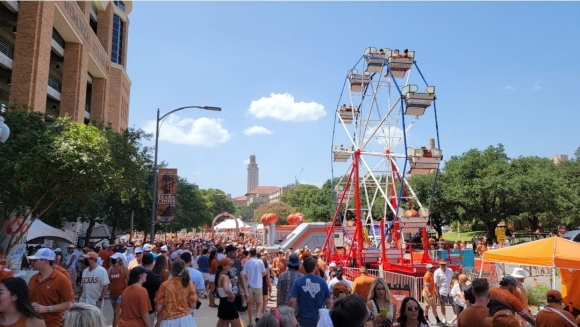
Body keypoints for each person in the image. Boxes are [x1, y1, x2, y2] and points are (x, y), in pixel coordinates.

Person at [27, 248, 74, 327]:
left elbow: (70, 303)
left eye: (35, 260)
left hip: (52, 323)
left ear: (45, 261)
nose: (31, 262)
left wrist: (47, 308)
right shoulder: (33, 278)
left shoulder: (61, 279)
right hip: (33, 322)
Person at [288, 256, 332, 327]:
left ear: (304, 268)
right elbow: (328, 303)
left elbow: (292, 301)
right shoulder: (322, 282)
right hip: (318, 319)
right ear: (315, 267)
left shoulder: (298, 282)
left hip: (302, 319)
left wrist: (290, 317)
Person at [154, 259, 197, 327]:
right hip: (185, 320)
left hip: (168, 321)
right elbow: (193, 305)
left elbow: (158, 308)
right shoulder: (189, 283)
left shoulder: (165, 285)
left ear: (172, 270)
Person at [242, 248, 266, 326]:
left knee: (250, 304)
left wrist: (248, 278)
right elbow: (264, 272)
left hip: (249, 286)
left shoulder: (248, 263)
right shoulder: (260, 262)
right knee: (259, 302)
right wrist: (259, 276)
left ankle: (250, 322)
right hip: (258, 285)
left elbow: (244, 274)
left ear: (250, 254)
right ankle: (257, 316)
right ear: (256, 253)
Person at [216, 257, 240, 327]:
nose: (230, 267)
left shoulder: (220, 275)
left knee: (223, 323)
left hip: (223, 302)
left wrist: (230, 281)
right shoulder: (225, 276)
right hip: (228, 303)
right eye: (228, 265)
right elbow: (226, 289)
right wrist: (233, 296)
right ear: (224, 266)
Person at [108, 252, 129, 327]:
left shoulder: (123, 268)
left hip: (121, 293)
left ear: (119, 259)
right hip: (112, 293)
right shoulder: (110, 269)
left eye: (115, 258)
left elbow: (128, 279)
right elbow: (108, 281)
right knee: (116, 312)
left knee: (116, 312)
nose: (113, 259)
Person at [434, 260, 454, 325]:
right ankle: (444, 318)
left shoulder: (450, 270)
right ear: (439, 265)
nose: (443, 265)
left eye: (444, 264)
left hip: (451, 291)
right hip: (442, 291)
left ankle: (456, 317)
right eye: (441, 264)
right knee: (442, 304)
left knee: (454, 304)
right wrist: (436, 293)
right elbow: (435, 283)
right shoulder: (437, 272)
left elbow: (453, 279)